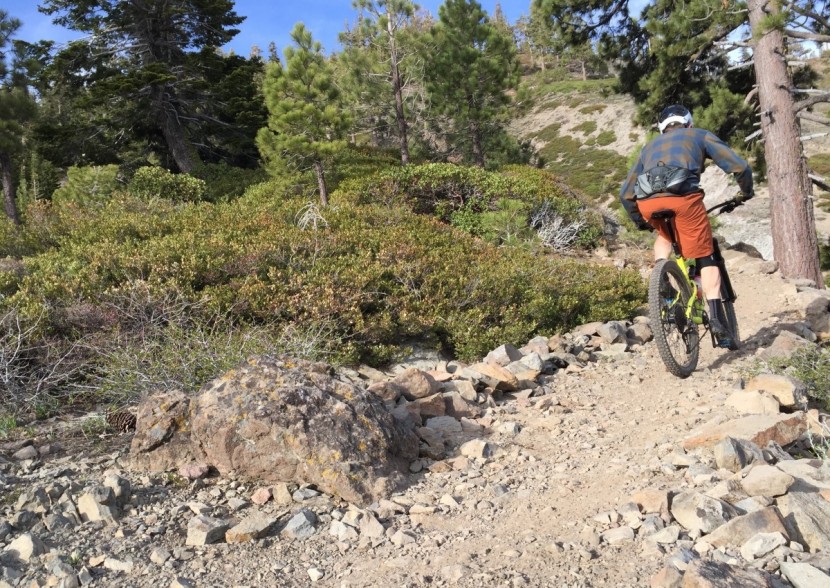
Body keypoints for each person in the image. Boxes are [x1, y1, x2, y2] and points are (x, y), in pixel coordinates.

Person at [619, 104, 754, 347]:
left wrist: (641, 222)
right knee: (706, 256)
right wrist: (745, 192)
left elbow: (625, 193)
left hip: (648, 203)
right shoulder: (699, 134)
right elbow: (739, 166)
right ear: (688, 123)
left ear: (662, 129)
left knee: (664, 233)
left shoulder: (648, 147)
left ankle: (661, 274)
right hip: (684, 200)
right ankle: (716, 319)